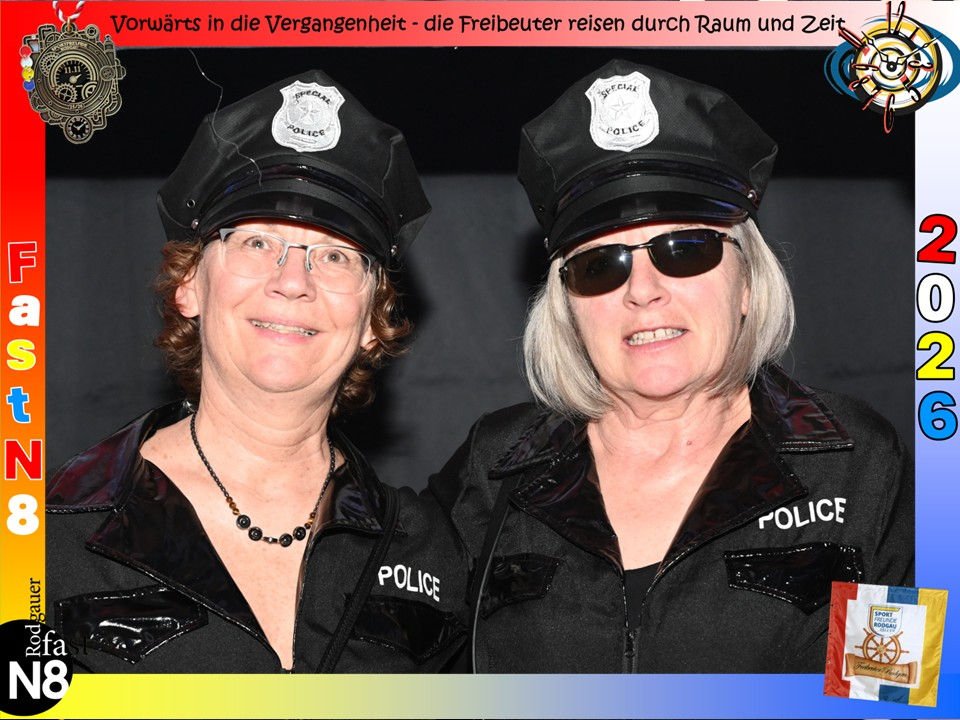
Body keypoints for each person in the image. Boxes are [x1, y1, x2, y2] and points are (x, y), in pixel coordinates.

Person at [429, 60, 914, 673]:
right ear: (569, 307)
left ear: (746, 283)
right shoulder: (495, 465)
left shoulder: (856, 463)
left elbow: (894, 693)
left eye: (685, 249)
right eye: (601, 264)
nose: (642, 290)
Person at [46, 70, 466, 673]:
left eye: (335, 255)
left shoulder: (429, 550)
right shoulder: (48, 531)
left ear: (373, 320)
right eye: (256, 242)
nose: (293, 281)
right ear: (189, 284)